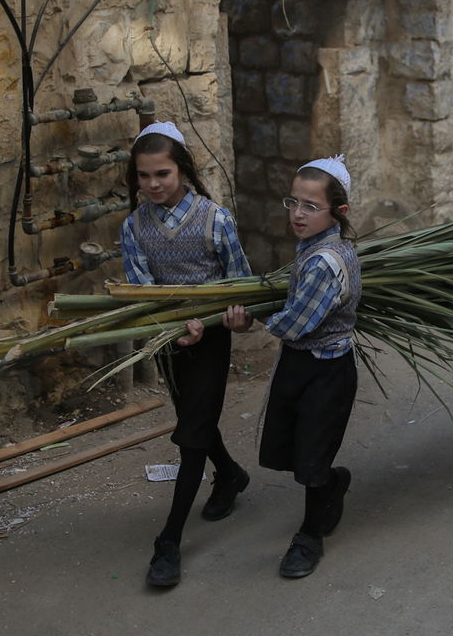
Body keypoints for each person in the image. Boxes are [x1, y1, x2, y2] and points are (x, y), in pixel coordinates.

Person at [120, 121, 253, 588]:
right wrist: (175, 327)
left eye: (163, 174)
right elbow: (142, 292)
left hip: (211, 338)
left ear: (183, 171)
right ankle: (232, 474)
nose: (154, 185)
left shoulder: (216, 219)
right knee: (194, 419)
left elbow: (240, 286)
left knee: (191, 434)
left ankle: (169, 542)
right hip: (168, 340)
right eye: (144, 176)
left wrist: (217, 320)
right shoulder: (133, 227)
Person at [218, 155, 361, 579]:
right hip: (301, 367)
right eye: (293, 202)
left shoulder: (324, 262)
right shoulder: (315, 248)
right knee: (296, 448)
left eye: (310, 206)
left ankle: (309, 537)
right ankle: (334, 483)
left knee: (312, 459)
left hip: (326, 372)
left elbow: (296, 325)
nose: (297, 214)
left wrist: (253, 319)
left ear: (339, 212)